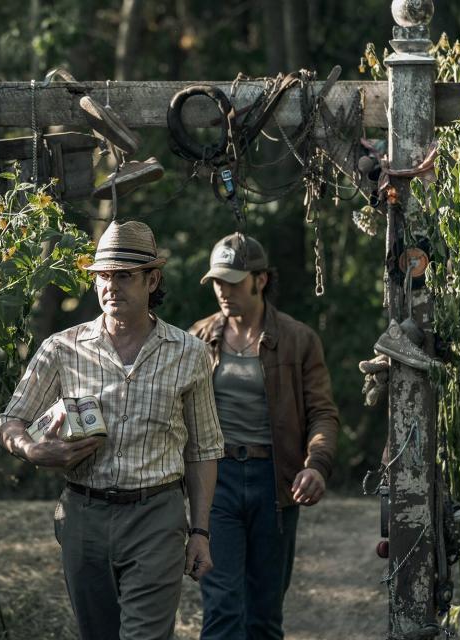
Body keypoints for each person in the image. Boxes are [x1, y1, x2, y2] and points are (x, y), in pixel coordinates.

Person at [0, 221, 225, 640]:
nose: (111, 286)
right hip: (84, 515)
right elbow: (10, 421)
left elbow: (204, 449)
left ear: (152, 279)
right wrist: (33, 451)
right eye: (103, 275)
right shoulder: (62, 348)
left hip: (157, 515)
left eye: (124, 275)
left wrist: (200, 533)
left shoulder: (188, 352)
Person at [189, 232, 339, 640]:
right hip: (214, 482)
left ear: (261, 280)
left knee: (264, 613)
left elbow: (323, 413)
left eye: (234, 281)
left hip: (274, 483)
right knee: (221, 607)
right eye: (217, 281)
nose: (223, 290)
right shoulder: (198, 339)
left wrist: (317, 465)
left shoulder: (298, 339)